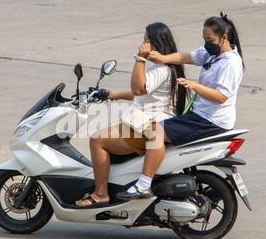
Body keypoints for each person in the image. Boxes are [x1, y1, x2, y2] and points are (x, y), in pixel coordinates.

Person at [117, 12, 245, 201]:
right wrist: (163, 59)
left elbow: (221, 97)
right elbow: (187, 57)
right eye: (204, 38)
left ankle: (143, 185)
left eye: (209, 39)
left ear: (223, 37)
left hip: (210, 120)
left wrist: (195, 86)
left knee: (155, 133)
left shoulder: (231, 63)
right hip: (200, 115)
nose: (206, 43)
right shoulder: (212, 53)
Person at [75, 22, 187, 207]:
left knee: (97, 140)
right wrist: (115, 94)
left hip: (149, 125)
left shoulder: (160, 69)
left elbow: (138, 87)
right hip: (150, 122)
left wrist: (140, 59)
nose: (142, 43)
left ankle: (100, 194)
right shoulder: (169, 67)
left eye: (146, 40)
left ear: (156, 43)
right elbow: (142, 93)